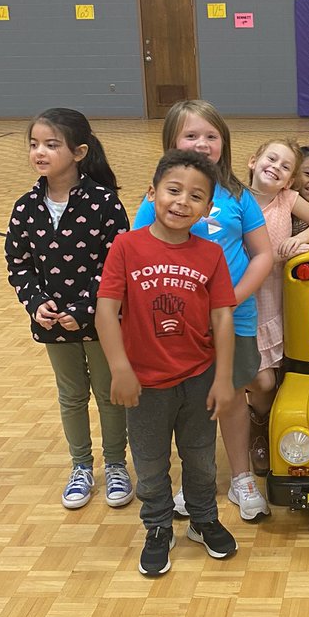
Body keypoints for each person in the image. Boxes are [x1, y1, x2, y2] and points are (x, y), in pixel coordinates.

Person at [97, 150, 238, 575]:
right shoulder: (126, 245)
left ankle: (202, 519)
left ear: (208, 207)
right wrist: (120, 369)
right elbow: (106, 310)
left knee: (200, 458)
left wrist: (225, 378)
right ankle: (158, 526)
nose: (181, 202)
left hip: (198, 377)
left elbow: (222, 317)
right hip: (144, 382)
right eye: (173, 190)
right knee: (151, 461)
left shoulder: (210, 254)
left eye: (195, 196)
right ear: (152, 192)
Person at [132, 100, 273, 522]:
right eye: (191, 135)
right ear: (172, 143)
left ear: (224, 144)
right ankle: (195, 482)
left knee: (228, 396)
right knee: (189, 402)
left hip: (234, 319)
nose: (202, 144)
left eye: (211, 136)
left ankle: (242, 478)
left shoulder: (237, 196)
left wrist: (231, 298)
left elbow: (263, 254)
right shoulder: (155, 199)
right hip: (178, 326)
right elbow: (137, 257)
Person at [5, 107, 132, 510]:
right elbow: (18, 264)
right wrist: (35, 304)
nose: (39, 152)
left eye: (51, 144)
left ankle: (115, 464)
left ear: (78, 152)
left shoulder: (103, 202)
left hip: (102, 321)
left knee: (109, 393)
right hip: (52, 323)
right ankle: (81, 465)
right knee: (71, 395)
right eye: (34, 144)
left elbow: (116, 264)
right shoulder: (25, 207)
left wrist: (85, 308)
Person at [245, 138, 309, 473]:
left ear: (289, 180)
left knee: (285, 379)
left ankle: (282, 434)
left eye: (285, 168)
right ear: (253, 161)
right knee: (263, 381)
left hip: (277, 299)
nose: (276, 168)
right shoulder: (236, 199)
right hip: (247, 301)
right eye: (271, 159)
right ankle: (259, 427)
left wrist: (299, 238)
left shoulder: (287, 199)